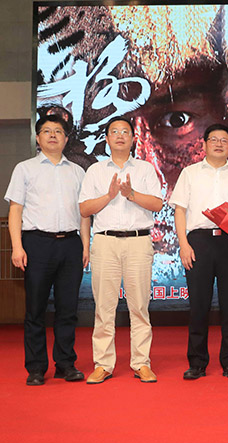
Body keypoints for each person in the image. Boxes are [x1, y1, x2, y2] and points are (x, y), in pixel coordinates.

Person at [5, 115, 90, 386]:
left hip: (71, 244)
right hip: (37, 244)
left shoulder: (77, 172)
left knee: (68, 309)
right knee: (35, 309)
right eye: (46, 131)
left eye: (58, 131)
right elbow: (15, 210)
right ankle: (36, 368)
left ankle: (66, 364)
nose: (53, 135)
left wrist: (85, 246)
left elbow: (84, 214)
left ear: (66, 139)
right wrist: (17, 247)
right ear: (38, 138)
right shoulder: (25, 169)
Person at [79, 116, 163, 384]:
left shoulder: (145, 169)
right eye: (114, 131)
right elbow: (84, 209)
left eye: (125, 131)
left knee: (139, 306)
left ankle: (141, 363)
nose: (119, 136)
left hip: (138, 241)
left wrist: (131, 195)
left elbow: (157, 204)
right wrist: (110, 195)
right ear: (106, 138)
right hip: (105, 242)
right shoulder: (95, 170)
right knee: (104, 307)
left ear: (133, 138)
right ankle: (103, 364)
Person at [169, 124, 228, 380]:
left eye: (224, 140)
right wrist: (183, 244)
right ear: (203, 144)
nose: (218, 144)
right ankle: (197, 362)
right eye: (213, 139)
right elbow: (180, 210)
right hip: (199, 243)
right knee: (198, 305)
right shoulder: (190, 173)